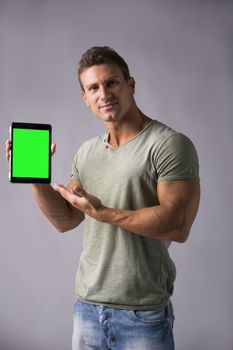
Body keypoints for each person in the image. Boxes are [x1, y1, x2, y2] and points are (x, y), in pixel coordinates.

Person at [6, 46, 200, 350]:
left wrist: (103, 213)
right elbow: (65, 219)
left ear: (130, 85)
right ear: (85, 98)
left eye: (112, 83)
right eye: (93, 87)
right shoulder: (86, 153)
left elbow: (178, 225)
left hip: (142, 313)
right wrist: (37, 181)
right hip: (87, 309)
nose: (104, 93)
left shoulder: (168, 144)